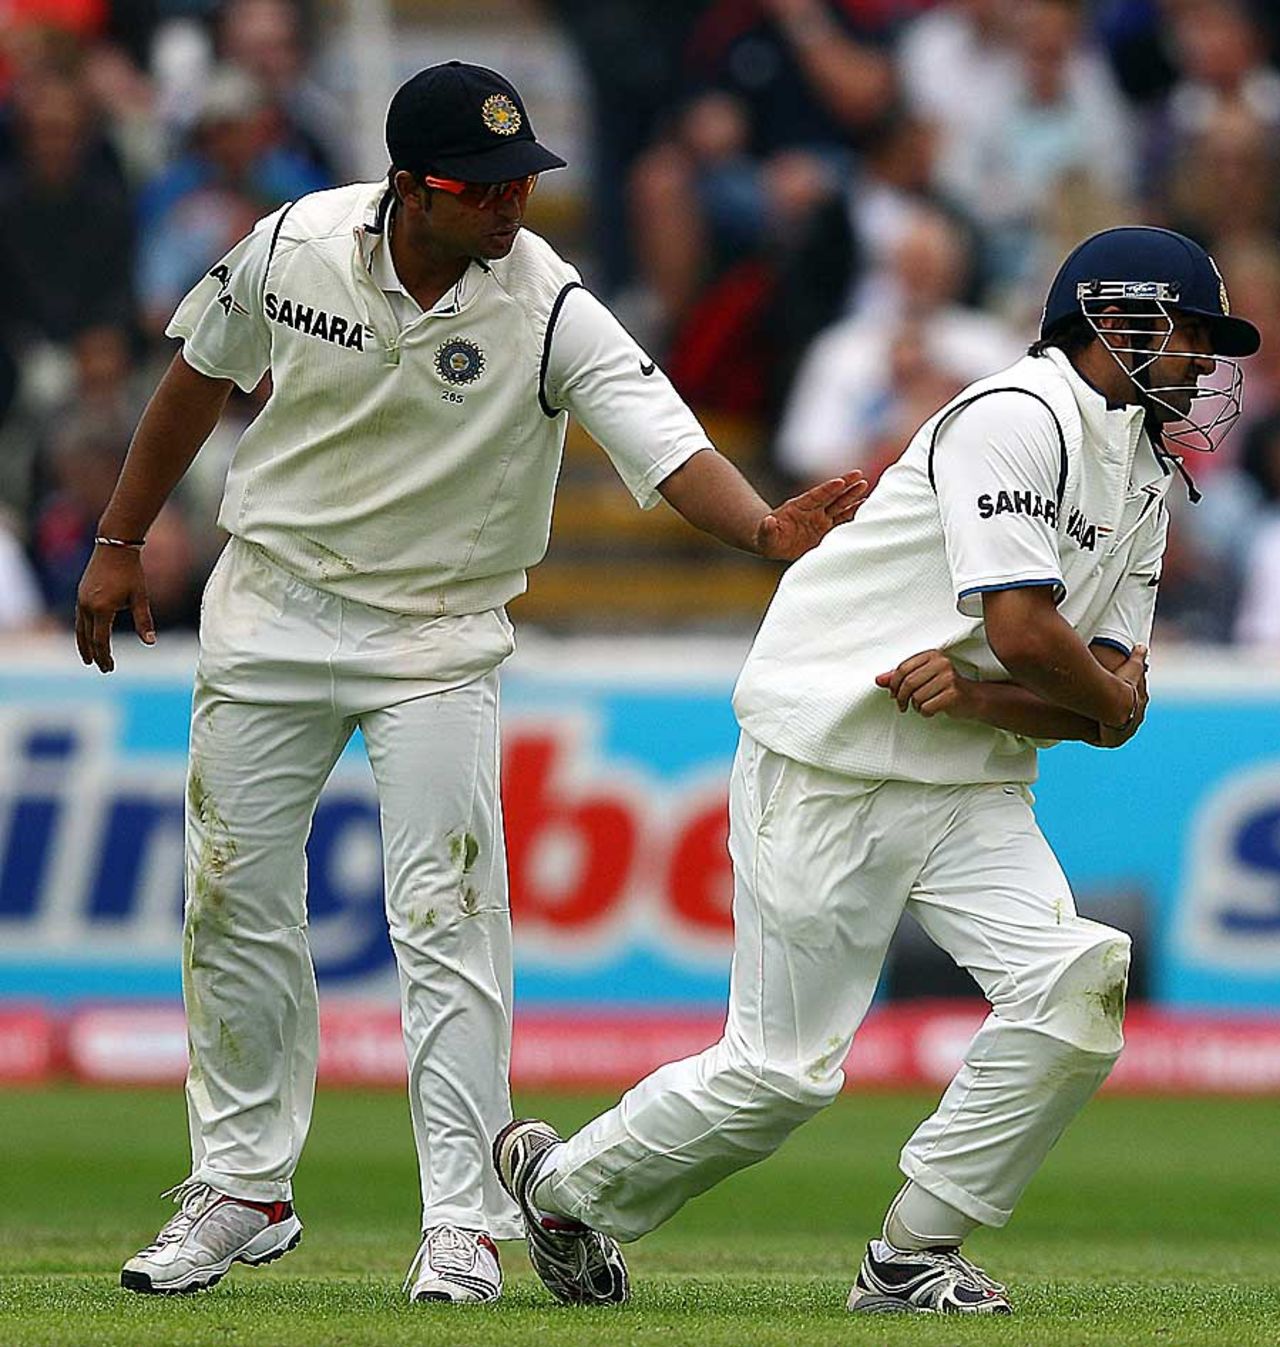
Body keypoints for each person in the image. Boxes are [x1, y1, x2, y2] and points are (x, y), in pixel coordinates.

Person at [73, 61, 865, 1304]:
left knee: (443, 918)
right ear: (408, 188)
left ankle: (463, 1219)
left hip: (435, 633)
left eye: (521, 184)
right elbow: (193, 376)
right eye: (482, 187)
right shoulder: (295, 243)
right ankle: (241, 1187)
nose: (510, 207)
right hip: (270, 605)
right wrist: (120, 542)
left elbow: (663, 442)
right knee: (232, 902)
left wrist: (764, 531)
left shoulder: (546, 302)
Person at [492, 225, 1260, 1314]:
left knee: (1072, 980)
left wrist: (996, 699)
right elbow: (1034, 634)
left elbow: (1090, 717)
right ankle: (564, 1191)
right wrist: (1089, 694)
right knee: (779, 1073)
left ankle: (909, 1256)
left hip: (970, 775)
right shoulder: (1014, 417)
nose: (1198, 365)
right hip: (831, 752)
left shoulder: (1141, 475)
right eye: (1186, 335)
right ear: (1114, 320)